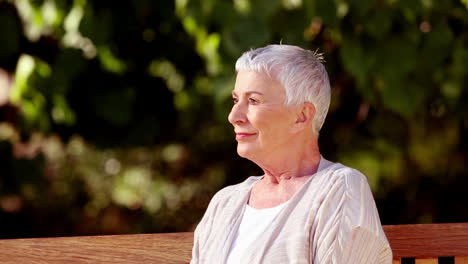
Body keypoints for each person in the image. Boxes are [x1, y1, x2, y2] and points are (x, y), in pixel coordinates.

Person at [191, 44, 392, 264]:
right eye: (235, 100)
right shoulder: (224, 203)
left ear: (302, 116)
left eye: (253, 101)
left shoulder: (339, 189)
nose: (233, 116)